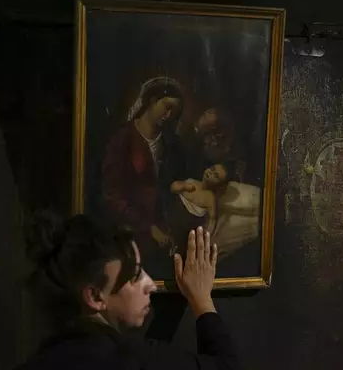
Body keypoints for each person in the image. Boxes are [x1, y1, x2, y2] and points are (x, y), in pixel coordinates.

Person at [16, 214, 238, 370]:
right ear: (94, 297)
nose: (151, 284)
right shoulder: (130, 360)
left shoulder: (37, 361)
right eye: (135, 276)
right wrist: (202, 300)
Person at [101, 76, 186, 277]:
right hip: (131, 233)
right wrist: (148, 228)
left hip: (166, 232)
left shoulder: (172, 144)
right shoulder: (123, 140)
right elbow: (112, 196)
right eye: (166, 107)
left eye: (174, 111)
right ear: (151, 101)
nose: (169, 114)